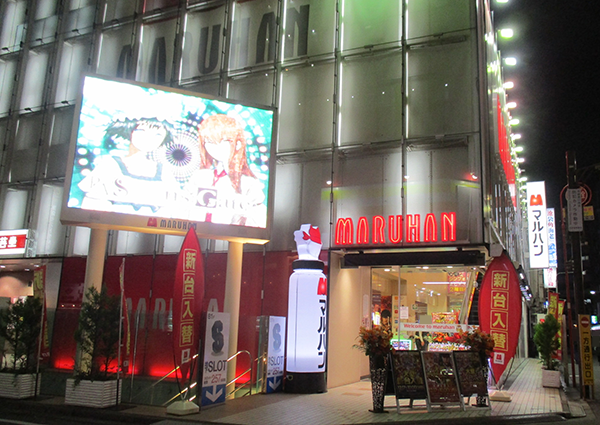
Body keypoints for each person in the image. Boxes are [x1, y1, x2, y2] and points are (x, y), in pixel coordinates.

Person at [78, 118, 182, 216]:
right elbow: (91, 205)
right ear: (130, 131)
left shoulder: (165, 171)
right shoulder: (110, 165)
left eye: (158, 135)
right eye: (141, 131)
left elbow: (174, 208)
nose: (149, 138)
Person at [185, 114, 266, 226]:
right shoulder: (199, 176)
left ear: (237, 144)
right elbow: (184, 206)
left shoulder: (248, 183)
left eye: (220, 141)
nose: (213, 147)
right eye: (208, 142)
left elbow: (259, 218)